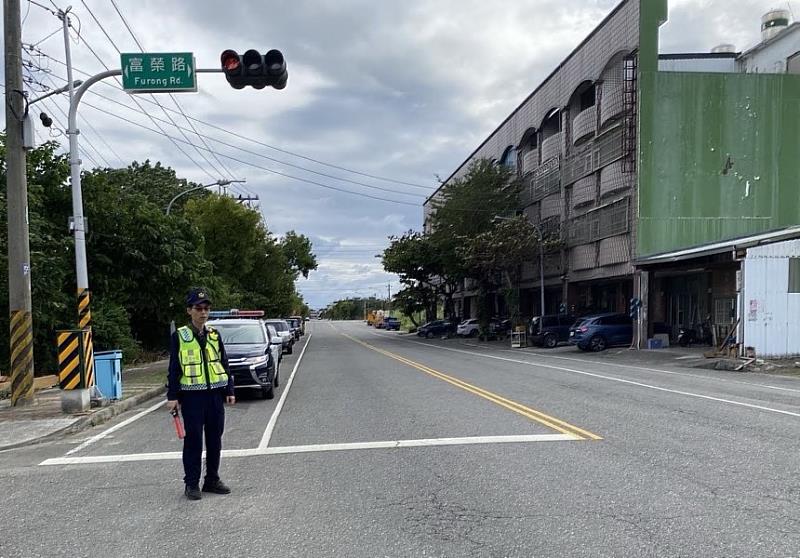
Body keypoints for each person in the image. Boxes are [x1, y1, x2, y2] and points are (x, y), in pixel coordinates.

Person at [166, 288, 235, 500]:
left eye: (206, 308)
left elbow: (223, 363)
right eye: (198, 308)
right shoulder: (180, 336)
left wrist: (229, 390)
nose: (203, 312)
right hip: (192, 398)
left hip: (214, 396)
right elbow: (174, 368)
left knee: (215, 440)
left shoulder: (214, 335)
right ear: (189, 310)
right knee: (194, 441)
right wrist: (172, 397)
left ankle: (212, 479)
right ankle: (191, 483)